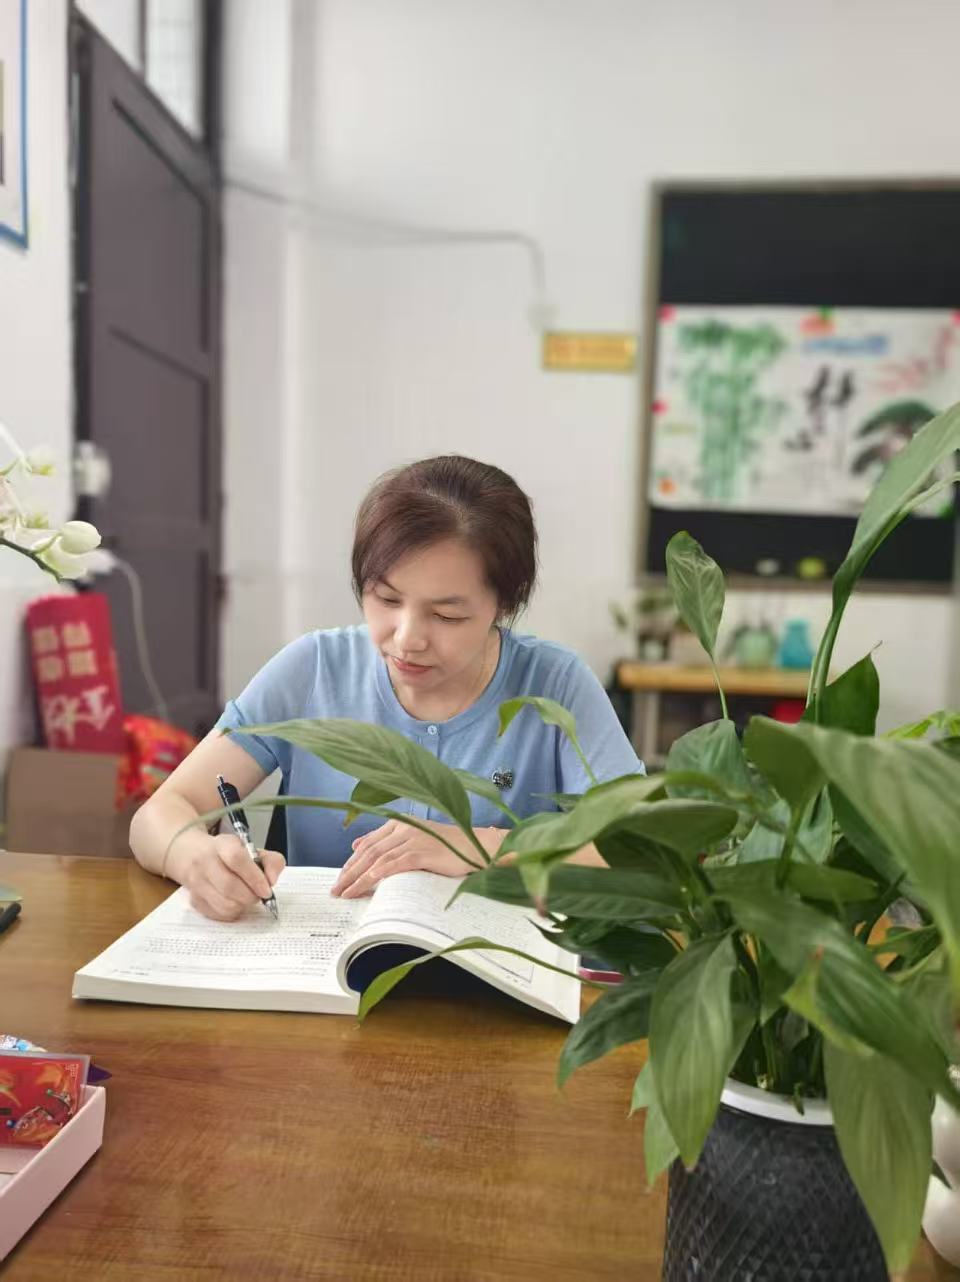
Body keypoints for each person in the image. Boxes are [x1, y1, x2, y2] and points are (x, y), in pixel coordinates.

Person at [130, 456, 643, 920]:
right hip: (321, 969)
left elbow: (637, 852)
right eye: (386, 599)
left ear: (503, 605)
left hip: (498, 977)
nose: (407, 639)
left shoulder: (555, 684)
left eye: (447, 615)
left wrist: (477, 846)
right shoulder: (314, 668)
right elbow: (161, 812)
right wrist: (195, 857)